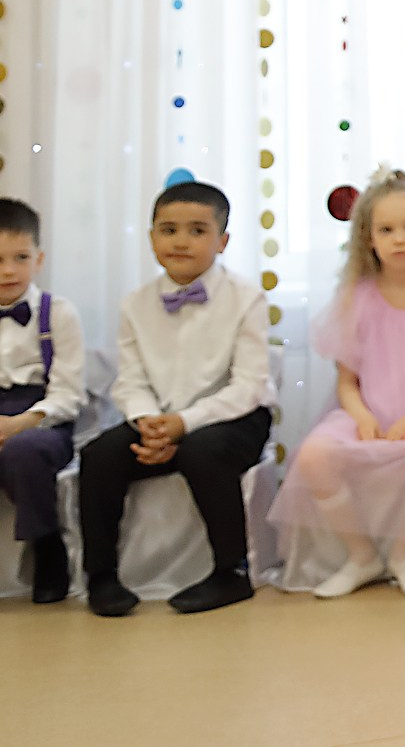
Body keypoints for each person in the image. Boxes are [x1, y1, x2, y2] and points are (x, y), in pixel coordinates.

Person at [273, 168, 405, 598]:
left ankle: (404, 553)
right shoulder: (356, 297)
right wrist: (364, 417)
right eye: (387, 230)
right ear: (368, 238)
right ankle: (362, 555)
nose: (400, 239)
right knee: (313, 455)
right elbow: (347, 383)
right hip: (364, 410)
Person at [79, 180, 274, 616]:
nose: (181, 241)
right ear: (151, 238)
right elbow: (130, 380)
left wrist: (184, 424)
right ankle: (102, 576)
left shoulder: (247, 298)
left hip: (235, 417)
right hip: (159, 418)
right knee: (98, 455)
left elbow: (248, 385)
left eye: (197, 230)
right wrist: (149, 422)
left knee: (202, 450)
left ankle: (232, 572)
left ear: (222, 241)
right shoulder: (135, 304)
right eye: (168, 230)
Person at [0, 196, 83, 603]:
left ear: (39, 259)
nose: (8, 270)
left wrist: (19, 423)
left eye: (20, 257)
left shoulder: (58, 313)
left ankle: (48, 548)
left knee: (25, 451)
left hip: (42, 419)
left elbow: (69, 392)